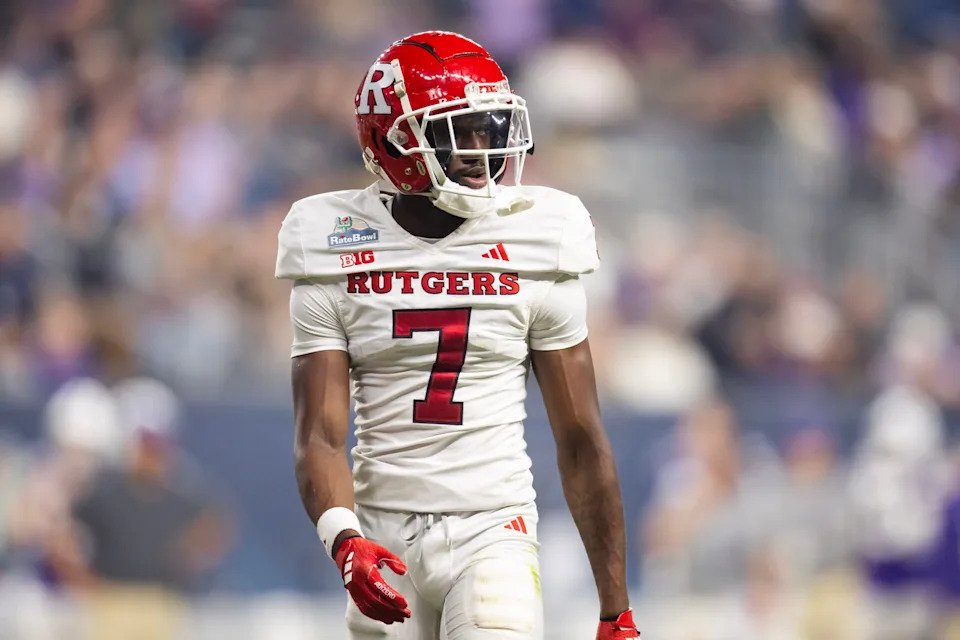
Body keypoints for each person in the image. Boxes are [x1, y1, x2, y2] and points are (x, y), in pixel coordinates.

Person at [275, 31, 639, 640]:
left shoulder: (538, 234)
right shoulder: (330, 240)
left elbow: (581, 439)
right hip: (381, 536)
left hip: (493, 529)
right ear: (392, 141)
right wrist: (345, 541)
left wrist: (616, 609)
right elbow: (320, 434)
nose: (479, 151)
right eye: (455, 132)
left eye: (486, 129)